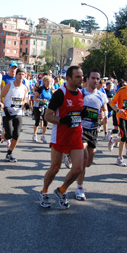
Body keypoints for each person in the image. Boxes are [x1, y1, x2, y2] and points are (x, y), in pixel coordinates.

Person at [39, 66, 84, 209]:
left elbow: (79, 113)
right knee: (55, 168)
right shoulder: (60, 94)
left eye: (81, 76)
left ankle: (62, 190)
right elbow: (47, 116)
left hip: (76, 136)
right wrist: (62, 120)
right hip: (60, 136)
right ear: (69, 78)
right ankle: (44, 192)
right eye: (77, 76)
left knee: (78, 169)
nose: (81, 79)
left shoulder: (81, 93)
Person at [75, 69, 108, 201]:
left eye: (97, 78)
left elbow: (105, 111)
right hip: (80, 130)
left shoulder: (101, 95)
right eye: (93, 78)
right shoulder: (80, 93)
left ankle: (72, 158)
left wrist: (104, 115)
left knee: (88, 162)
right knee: (83, 160)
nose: (95, 81)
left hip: (94, 130)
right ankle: (79, 188)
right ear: (87, 79)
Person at [0, 67, 29, 163]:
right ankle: (0, 138)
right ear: (16, 75)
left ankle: (9, 153)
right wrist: (3, 106)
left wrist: (25, 104)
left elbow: (24, 99)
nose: (21, 76)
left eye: (23, 74)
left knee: (16, 135)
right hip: (8, 112)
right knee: (8, 135)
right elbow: (0, 97)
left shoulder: (24, 88)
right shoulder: (9, 86)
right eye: (19, 74)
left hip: (18, 113)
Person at [32, 75, 53, 143]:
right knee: (37, 121)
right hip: (38, 106)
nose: (49, 83)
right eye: (47, 82)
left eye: (50, 82)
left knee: (46, 121)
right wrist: (41, 100)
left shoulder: (50, 90)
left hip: (46, 107)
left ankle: (43, 136)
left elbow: (51, 99)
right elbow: (34, 98)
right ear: (44, 82)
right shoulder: (41, 89)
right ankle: (35, 134)